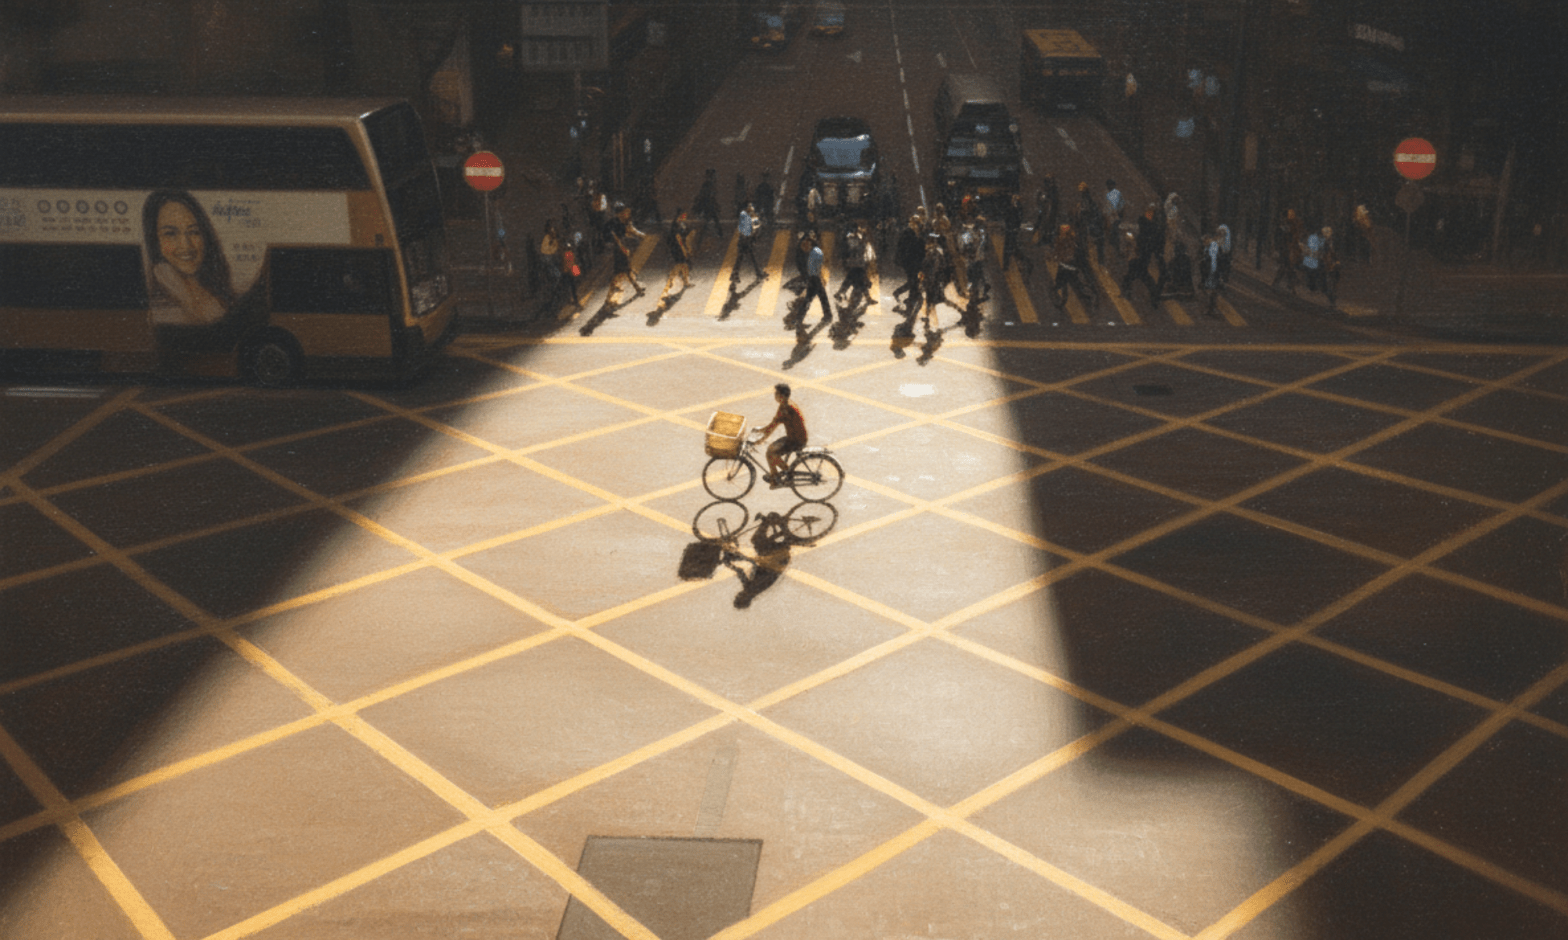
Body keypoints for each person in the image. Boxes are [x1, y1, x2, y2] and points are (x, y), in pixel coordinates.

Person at [143, 189, 234, 326]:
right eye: (170, 234)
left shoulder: (214, 286)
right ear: (155, 239)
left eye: (194, 232)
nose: (186, 245)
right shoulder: (159, 295)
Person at [756, 382, 807, 488]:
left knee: (771, 454)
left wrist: (761, 439)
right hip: (794, 437)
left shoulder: (785, 408)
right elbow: (772, 424)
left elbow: (772, 428)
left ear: (781, 396)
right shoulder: (786, 404)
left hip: (796, 440)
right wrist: (760, 430)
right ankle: (781, 475)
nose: (775, 396)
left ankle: (780, 477)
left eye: (776, 394)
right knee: (771, 450)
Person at [1120, 204, 1162, 305]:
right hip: (1141, 254)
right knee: (1134, 274)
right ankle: (1153, 296)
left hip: (1142, 255)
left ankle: (1154, 296)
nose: (1148, 214)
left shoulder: (1151, 227)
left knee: (1140, 275)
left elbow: (1147, 240)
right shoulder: (1148, 225)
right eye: (1148, 212)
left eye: (1151, 213)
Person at [606, 203, 646, 301]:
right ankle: (608, 299)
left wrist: (639, 235)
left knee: (627, 271)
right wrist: (623, 249)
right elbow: (617, 239)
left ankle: (637, 288)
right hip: (619, 251)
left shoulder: (622, 222)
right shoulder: (615, 223)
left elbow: (628, 232)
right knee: (619, 274)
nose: (628, 213)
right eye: (626, 212)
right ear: (620, 213)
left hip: (622, 250)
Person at [835, 220, 875, 309]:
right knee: (860, 280)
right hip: (855, 263)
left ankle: (840, 293)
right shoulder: (853, 238)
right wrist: (862, 239)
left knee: (853, 279)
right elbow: (859, 249)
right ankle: (867, 298)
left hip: (854, 263)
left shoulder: (851, 237)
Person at [893, 213, 926, 307]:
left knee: (914, 280)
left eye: (918, 222)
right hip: (909, 260)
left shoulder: (918, 231)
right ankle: (911, 298)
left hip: (916, 259)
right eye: (915, 222)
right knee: (913, 280)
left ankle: (907, 296)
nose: (917, 224)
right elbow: (903, 246)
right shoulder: (907, 232)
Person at [661, 208, 693, 299]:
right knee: (680, 265)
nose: (685, 217)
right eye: (684, 215)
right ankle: (671, 280)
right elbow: (678, 238)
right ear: (680, 215)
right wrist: (683, 249)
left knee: (683, 265)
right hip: (676, 248)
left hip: (678, 247)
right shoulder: (676, 225)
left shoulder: (680, 223)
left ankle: (686, 282)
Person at [800, 235, 833, 321]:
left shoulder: (814, 254)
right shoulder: (816, 251)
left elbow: (814, 268)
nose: (805, 249)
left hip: (814, 279)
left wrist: (818, 278)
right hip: (816, 278)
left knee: (809, 299)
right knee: (822, 297)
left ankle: (799, 318)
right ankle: (828, 314)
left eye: (806, 246)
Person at [733, 203, 765, 283]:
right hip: (747, 240)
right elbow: (757, 229)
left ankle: (736, 274)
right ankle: (758, 273)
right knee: (750, 257)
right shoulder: (753, 216)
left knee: (742, 257)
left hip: (742, 240)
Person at [695, 168, 722, 237]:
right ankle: (720, 233)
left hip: (708, 205)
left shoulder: (708, 184)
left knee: (710, 220)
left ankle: (719, 233)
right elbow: (710, 196)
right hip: (709, 205)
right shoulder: (709, 185)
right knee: (713, 219)